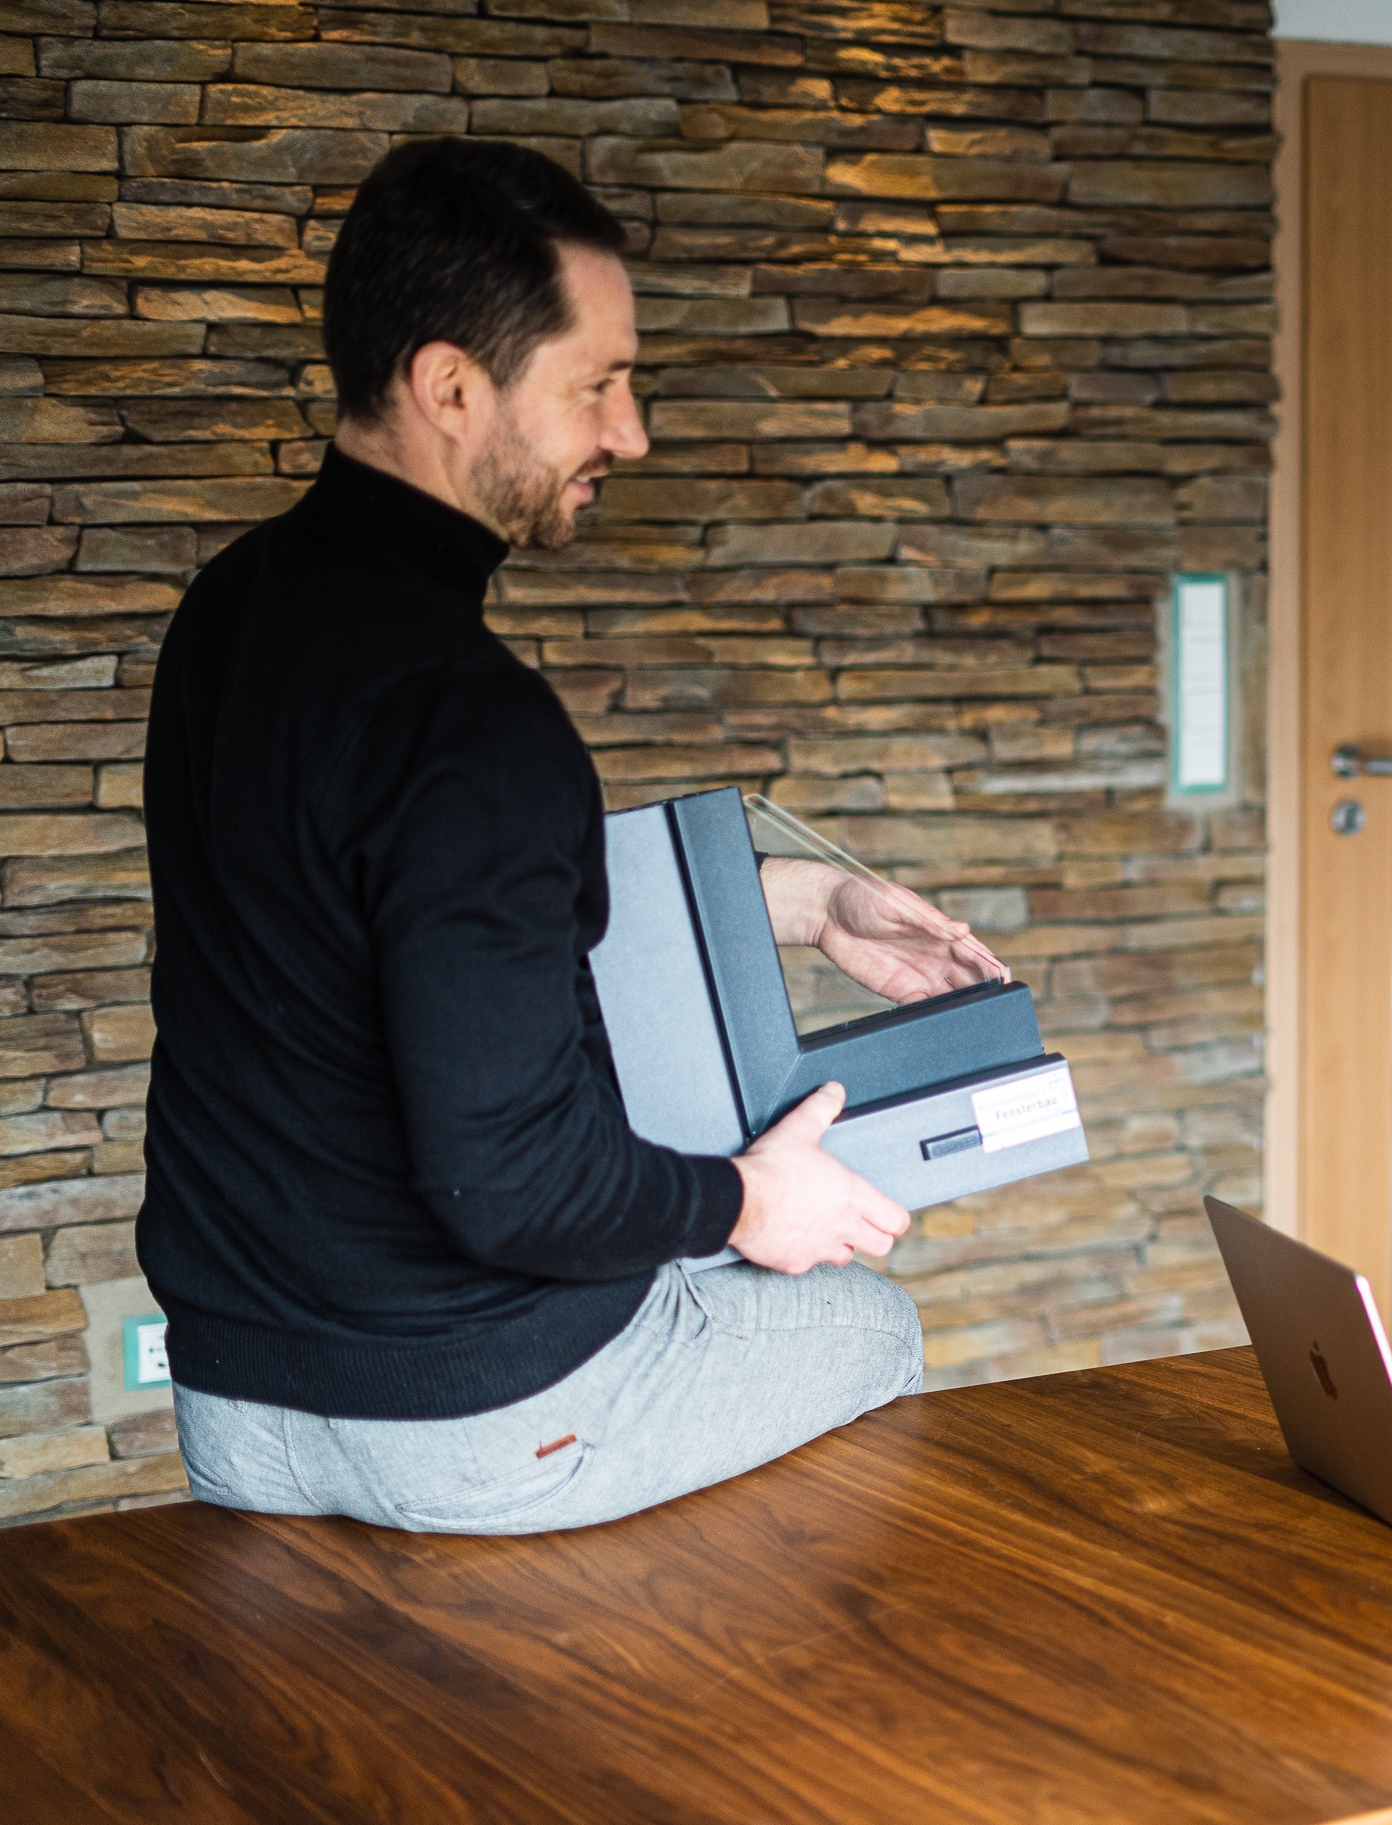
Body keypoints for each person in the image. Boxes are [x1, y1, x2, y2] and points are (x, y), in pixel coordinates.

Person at [143, 138, 1001, 1536]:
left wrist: (789, 900)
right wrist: (744, 1203)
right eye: (595, 384)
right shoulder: (476, 719)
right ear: (449, 386)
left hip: (236, 1402)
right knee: (862, 1322)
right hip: (467, 1419)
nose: (631, 429)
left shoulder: (233, 614)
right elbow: (512, 1186)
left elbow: (396, 891)